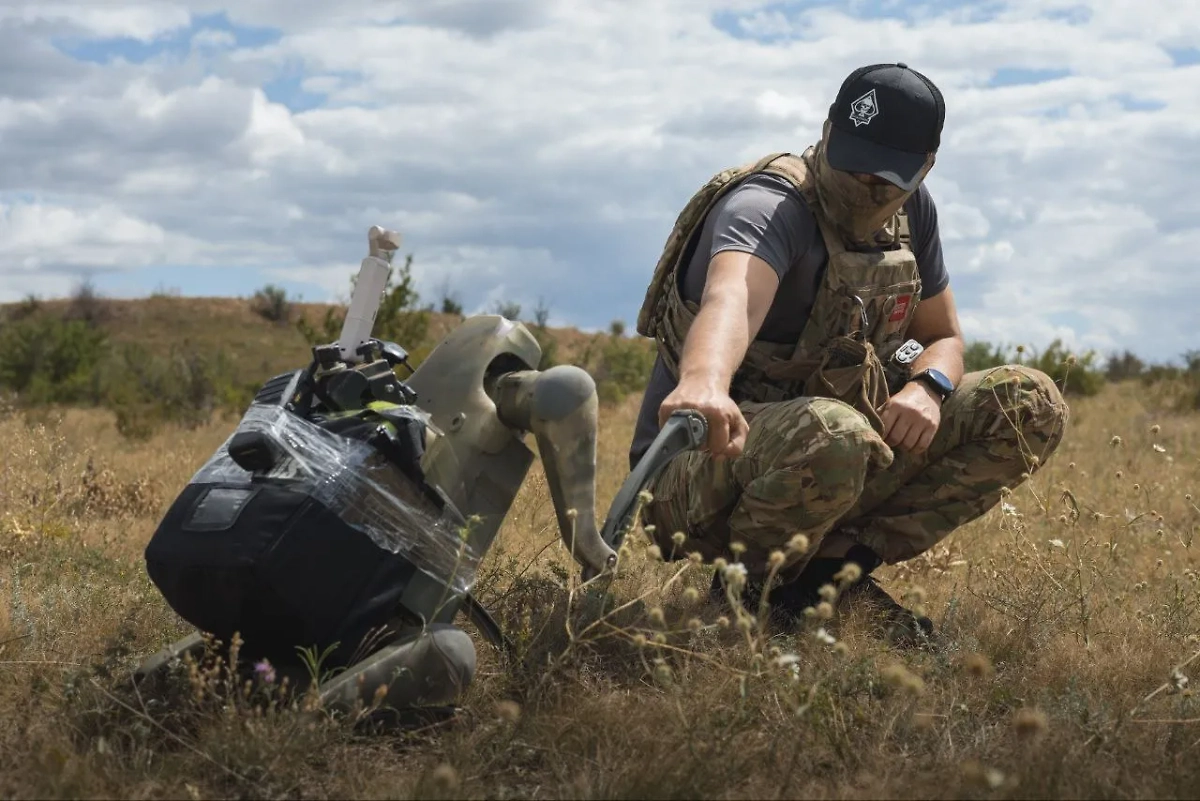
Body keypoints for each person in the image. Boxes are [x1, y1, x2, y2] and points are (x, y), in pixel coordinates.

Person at [629, 63, 1070, 643]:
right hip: (698, 468)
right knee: (832, 433)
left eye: (885, 174)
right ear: (827, 133)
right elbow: (731, 294)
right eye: (852, 159)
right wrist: (705, 381)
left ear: (924, 168)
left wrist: (927, 388)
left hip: (835, 451)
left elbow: (943, 337)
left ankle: (827, 576)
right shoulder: (767, 205)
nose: (865, 182)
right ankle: (748, 591)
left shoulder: (915, 213)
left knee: (1027, 403)